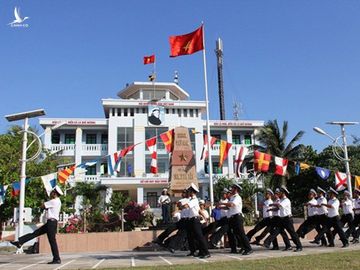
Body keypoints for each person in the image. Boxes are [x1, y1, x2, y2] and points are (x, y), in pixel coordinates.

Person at [10, 186, 63, 264]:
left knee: (52, 241)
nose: (51, 193)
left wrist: (43, 203)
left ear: (55, 193)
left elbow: (42, 206)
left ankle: (57, 259)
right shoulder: (57, 201)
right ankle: (20, 242)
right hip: (51, 223)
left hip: (51, 223)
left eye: (52, 192)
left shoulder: (53, 201)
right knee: (35, 233)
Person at [264, 186, 302, 252]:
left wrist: (272, 204)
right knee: (276, 231)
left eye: (280, 192)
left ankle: (299, 246)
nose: (279, 194)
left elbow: (280, 205)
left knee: (292, 233)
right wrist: (271, 209)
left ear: (283, 193)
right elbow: (278, 208)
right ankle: (267, 242)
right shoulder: (281, 200)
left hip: (287, 219)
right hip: (282, 219)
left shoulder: (286, 200)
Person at [220, 183, 252, 255]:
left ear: (236, 189)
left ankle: (248, 248)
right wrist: (220, 206)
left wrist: (222, 204)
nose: (231, 189)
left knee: (241, 233)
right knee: (236, 234)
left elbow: (231, 204)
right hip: (233, 218)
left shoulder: (237, 197)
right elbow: (229, 207)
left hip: (237, 217)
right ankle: (243, 247)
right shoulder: (232, 197)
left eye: (233, 188)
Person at [184, 183, 210, 258]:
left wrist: (181, 206)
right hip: (190, 220)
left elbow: (186, 206)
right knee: (190, 237)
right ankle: (194, 251)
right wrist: (204, 217)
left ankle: (206, 252)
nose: (188, 192)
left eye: (189, 191)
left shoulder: (194, 200)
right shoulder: (191, 199)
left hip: (195, 220)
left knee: (199, 236)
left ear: (192, 192)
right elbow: (198, 210)